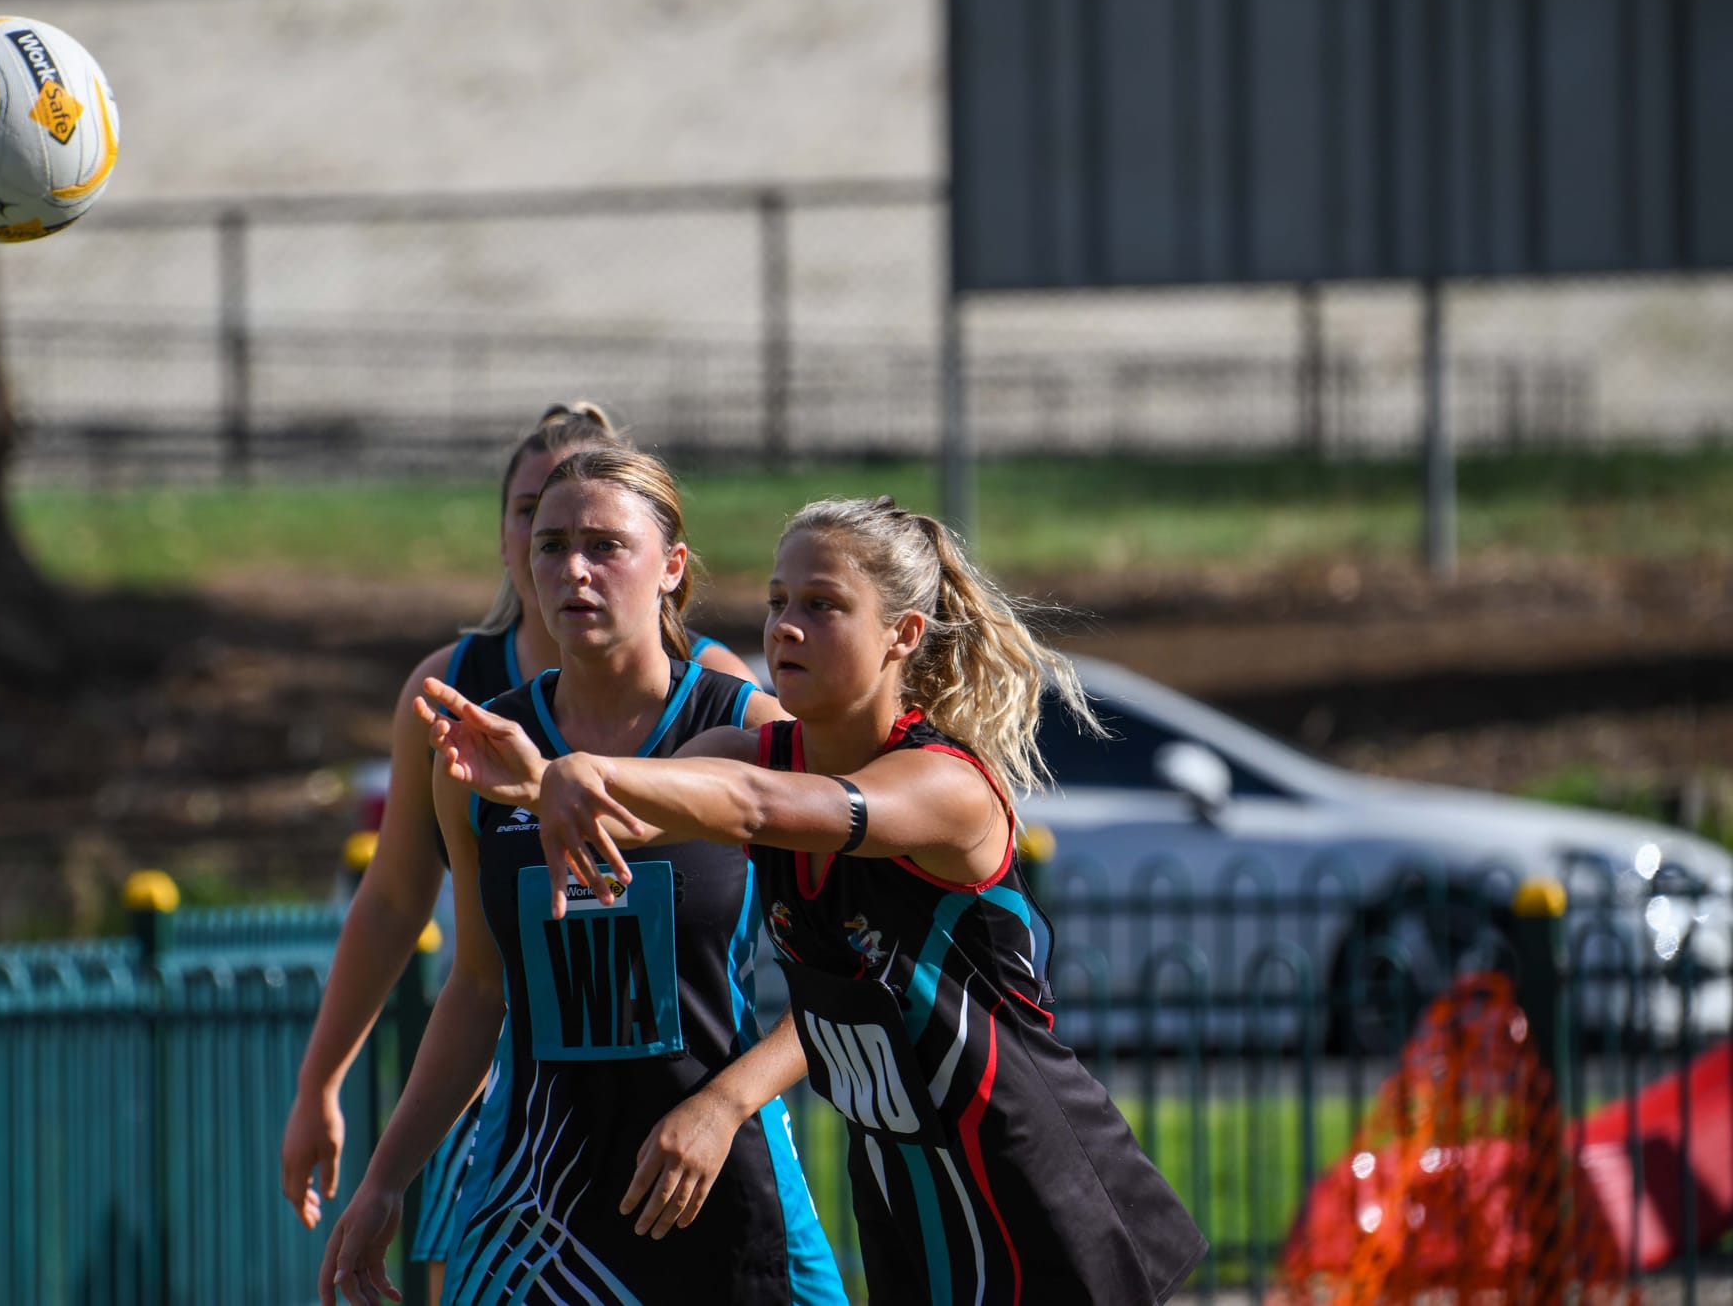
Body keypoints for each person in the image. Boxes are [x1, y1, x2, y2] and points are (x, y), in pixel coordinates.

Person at [426, 495, 1208, 1305]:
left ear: (902, 635)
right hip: (904, 1186)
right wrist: (537, 783)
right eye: (777, 603)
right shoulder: (749, 751)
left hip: (1029, 1179)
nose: (786, 627)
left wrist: (578, 776)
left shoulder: (944, 784)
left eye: (823, 605)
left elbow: (757, 806)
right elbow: (658, 809)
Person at [321, 449, 845, 1306]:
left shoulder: (746, 727)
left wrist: (722, 1108)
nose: (574, 569)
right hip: (536, 1201)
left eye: (607, 545)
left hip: (716, 1173)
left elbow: (851, 978)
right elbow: (478, 988)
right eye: (552, 543)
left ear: (672, 568)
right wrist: (386, 1181)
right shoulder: (482, 750)